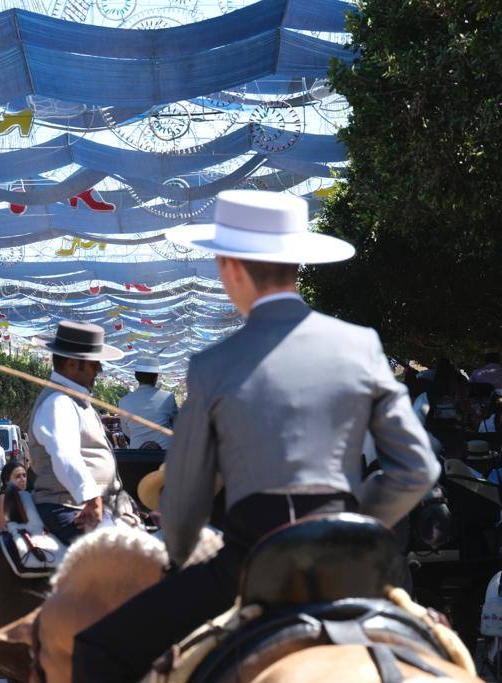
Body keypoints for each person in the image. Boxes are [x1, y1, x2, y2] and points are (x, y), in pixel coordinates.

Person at [71, 190, 440, 682]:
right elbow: (418, 468)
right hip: (349, 561)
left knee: (97, 648)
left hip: (249, 563)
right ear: (296, 265)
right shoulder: (361, 345)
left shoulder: (213, 365)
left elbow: (184, 502)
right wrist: (352, 524)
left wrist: (181, 552)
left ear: (231, 267)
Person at [27, 320, 126, 545]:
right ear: (72, 364)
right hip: (68, 507)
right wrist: (91, 498)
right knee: (118, 560)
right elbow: (65, 455)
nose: (99, 369)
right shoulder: (59, 402)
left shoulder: (75, 400)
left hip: (92, 505)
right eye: (94, 363)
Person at [117, 357, 179, 450]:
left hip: (136, 453)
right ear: (156, 376)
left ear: (136, 376)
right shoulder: (168, 397)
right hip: (164, 453)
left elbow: (127, 431)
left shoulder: (123, 401)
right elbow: (177, 424)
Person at [0, 460, 29, 530]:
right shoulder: (3, 499)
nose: (23, 479)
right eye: (18, 476)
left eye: (24, 475)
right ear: (7, 481)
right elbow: (5, 530)